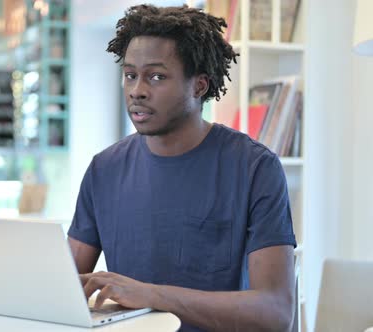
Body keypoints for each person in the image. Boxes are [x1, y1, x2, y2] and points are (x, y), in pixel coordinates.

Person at [67, 4, 297, 332]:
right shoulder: (103, 169)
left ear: (199, 86)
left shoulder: (256, 168)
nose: (137, 90)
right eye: (130, 75)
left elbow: (275, 312)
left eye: (156, 76)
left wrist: (153, 295)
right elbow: (65, 287)